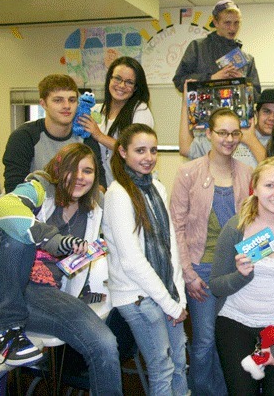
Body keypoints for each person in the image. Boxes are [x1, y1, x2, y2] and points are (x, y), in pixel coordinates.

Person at [0, 143, 122, 395]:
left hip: (43, 295)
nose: (80, 177)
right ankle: (5, 329)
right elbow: (5, 206)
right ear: (58, 170)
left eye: (88, 171)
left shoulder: (94, 209)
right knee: (17, 233)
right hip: (1, 289)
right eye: (72, 170)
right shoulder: (39, 188)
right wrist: (52, 239)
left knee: (105, 343)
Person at [209, 157, 274, 396]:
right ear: (255, 188)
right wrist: (240, 276)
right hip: (235, 323)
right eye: (269, 185)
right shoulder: (235, 227)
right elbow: (216, 286)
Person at [170, 108, 253, 395]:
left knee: (227, 338)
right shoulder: (188, 173)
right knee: (204, 339)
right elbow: (176, 227)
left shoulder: (247, 174)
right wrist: (188, 273)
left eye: (234, 133)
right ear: (209, 134)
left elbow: (252, 225)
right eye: (222, 133)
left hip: (235, 271)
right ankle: (204, 390)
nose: (229, 139)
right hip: (201, 270)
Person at [103, 124, 188, 395]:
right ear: (123, 152)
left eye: (153, 150)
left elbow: (170, 245)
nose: (148, 157)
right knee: (161, 367)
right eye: (140, 150)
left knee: (179, 361)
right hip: (138, 296)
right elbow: (131, 260)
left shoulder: (157, 187)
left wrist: (179, 297)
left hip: (165, 292)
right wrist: (170, 305)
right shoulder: (118, 194)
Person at [3, 74, 106, 193]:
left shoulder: (85, 136)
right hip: (34, 209)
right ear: (43, 104)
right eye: (58, 100)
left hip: (79, 209)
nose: (67, 106)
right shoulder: (24, 137)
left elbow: (100, 184)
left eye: (72, 100)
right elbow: (14, 189)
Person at [78, 56, 154, 186]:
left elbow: (137, 150)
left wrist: (99, 136)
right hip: (100, 185)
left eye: (129, 82)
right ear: (109, 79)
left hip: (130, 186)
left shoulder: (140, 110)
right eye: (117, 78)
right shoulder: (96, 110)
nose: (122, 85)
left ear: (135, 87)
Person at [179, 81, 274, 168]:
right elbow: (186, 148)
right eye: (266, 111)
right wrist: (186, 103)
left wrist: (251, 140)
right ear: (256, 113)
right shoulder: (232, 134)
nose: (271, 118)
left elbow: (273, 171)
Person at [172, 0, 261, 95]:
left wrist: (243, 82)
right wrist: (211, 78)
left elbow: (257, 95)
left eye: (236, 23)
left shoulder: (247, 59)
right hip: (203, 109)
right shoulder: (197, 48)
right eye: (227, 23)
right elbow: (179, 81)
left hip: (234, 110)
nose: (232, 28)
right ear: (215, 23)